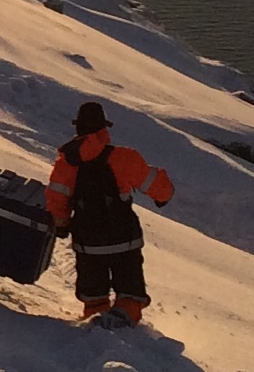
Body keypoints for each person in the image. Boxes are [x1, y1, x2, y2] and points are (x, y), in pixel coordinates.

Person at [47, 99, 174, 326]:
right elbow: (157, 187)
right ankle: (124, 323)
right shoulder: (124, 157)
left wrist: (62, 225)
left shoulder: (66, 163)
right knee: (130, 293)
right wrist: (164, 197)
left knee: (94, 295)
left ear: (78, 128)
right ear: (103, 128)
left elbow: (57, 200)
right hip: (124, 240)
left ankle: (96, 322)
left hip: (88, 244)